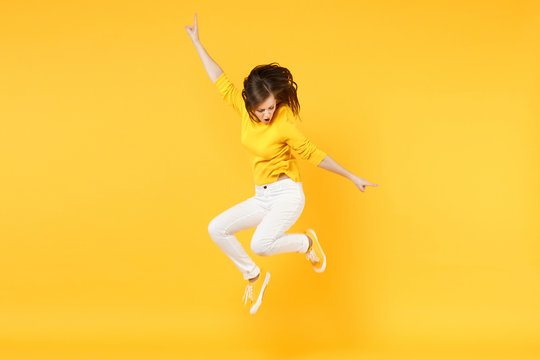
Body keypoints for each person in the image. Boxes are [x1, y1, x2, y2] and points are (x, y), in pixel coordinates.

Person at [185, 13, 378, 315]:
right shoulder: (244, 110)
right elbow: (220, 80)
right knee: (216, 228)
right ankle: (253, 274)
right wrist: (197, 42)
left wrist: (351, 176)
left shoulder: (284, 123)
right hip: (262, 196)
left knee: (260, 244)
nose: (267, 114)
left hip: (287, 194)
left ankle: (306, 244)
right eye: (261, 109)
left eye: (271, 107)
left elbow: (314, 154)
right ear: (250, 104)